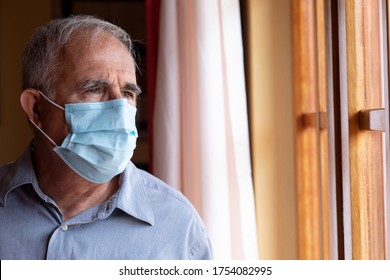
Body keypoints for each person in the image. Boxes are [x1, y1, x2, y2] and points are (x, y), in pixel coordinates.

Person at [0, 15, 213, 260]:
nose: (119, 107)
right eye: (94, 89)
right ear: (37, 108)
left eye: (127, 93)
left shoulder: (178, 226)